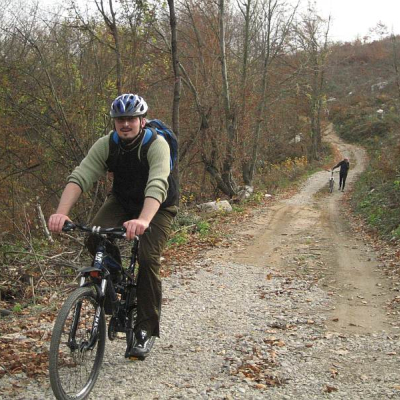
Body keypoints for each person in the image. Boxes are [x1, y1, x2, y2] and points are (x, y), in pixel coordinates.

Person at [48, 93, 178, 359]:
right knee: (95, 236)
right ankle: (113, 280)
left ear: (142, 121)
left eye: (131, 119)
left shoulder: (157, 144)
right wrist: (61, 213)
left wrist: (144, 220)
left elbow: (157, 184)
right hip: (122, 200)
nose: (125, 124)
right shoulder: (108, 144)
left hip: (158, 206)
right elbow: (81, 176)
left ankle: (145, 328)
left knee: (147, 259)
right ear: (114, 122)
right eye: (120, 120)